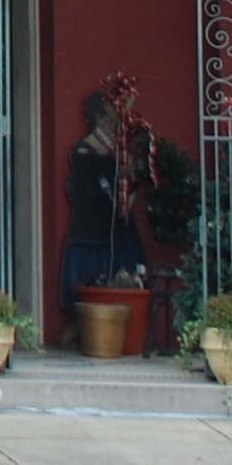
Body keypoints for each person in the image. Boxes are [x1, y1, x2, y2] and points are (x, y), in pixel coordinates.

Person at [63, 88, 143, 318]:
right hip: (92, 232)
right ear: (98, 116)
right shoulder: (84, 150)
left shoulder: (120, 150)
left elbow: (132, 182)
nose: (115, 119)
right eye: (110, 114)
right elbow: (86, 192)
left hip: (120, 230)